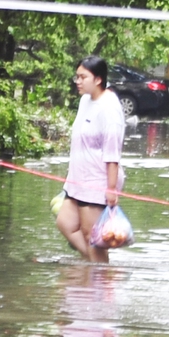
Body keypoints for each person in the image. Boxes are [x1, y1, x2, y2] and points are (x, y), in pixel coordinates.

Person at [55, 57, 127, 261]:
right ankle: (95, 271)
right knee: (65, 222)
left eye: (82, 77)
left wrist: (111, 188)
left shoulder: (109, 108)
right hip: (78, 178)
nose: (77, 81)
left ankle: (100, 279)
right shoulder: (85, 100)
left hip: (97, 180)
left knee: (92, 237)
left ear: (98, 79)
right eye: (76, 77)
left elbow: (112, 152)